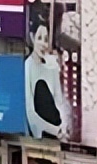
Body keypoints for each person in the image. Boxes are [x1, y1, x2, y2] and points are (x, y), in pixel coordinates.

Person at [24, 9, 69, 140]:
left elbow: (59, 101)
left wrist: (63, 127)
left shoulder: (51, 65)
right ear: (32, 38)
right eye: (39, 38)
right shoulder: (28, 66)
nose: (43, 44)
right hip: (41, 132)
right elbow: (31, 113)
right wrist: (55, 131)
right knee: (41, 87)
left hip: (58, 130)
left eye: (45, 39)